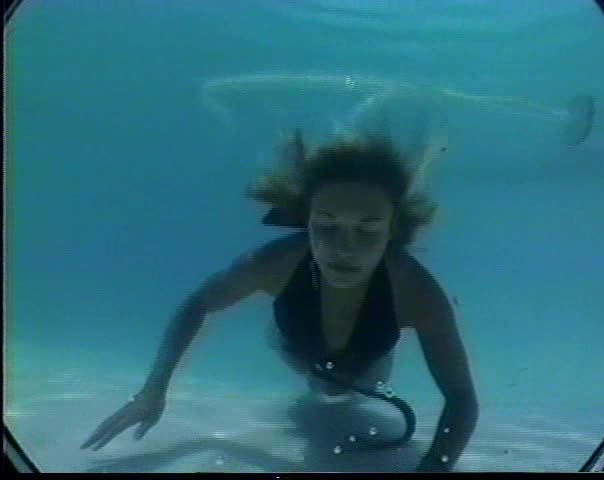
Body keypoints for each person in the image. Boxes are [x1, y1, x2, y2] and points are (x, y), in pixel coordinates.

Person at [80, 128, 478, 472]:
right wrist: (152, 390)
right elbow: (199, 304)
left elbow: (461, 398)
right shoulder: (276, 263)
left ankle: (342, 382)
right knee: (308, 374)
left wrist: (435, 467)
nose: (345, 247)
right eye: (327, 226)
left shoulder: (416, 291)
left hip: (368, 363)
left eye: (368, 229)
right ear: (307, 221)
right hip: (294, 346)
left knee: (348, 388)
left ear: (393, 231)